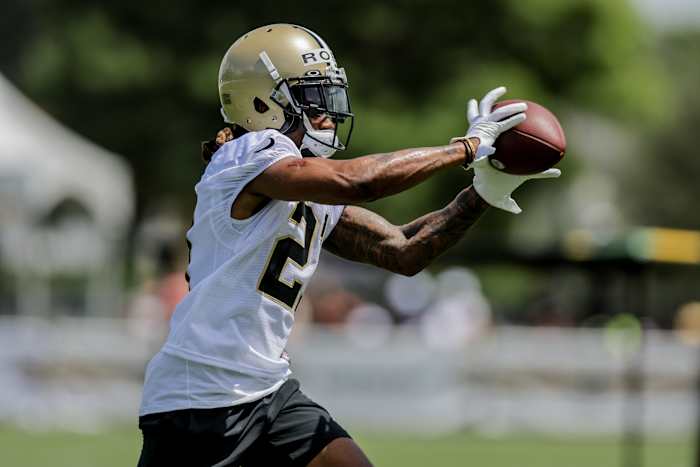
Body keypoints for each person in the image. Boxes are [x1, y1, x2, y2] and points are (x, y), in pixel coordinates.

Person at [137, 23, 560, 467]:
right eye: (313, 97)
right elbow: (357, 182)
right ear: (260, 104)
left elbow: (402, 249)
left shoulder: (302, 182)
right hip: (201, 397)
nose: (328, 112)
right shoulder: (246, 154)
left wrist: (482, 193)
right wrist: (466, 148)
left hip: (268, 389)